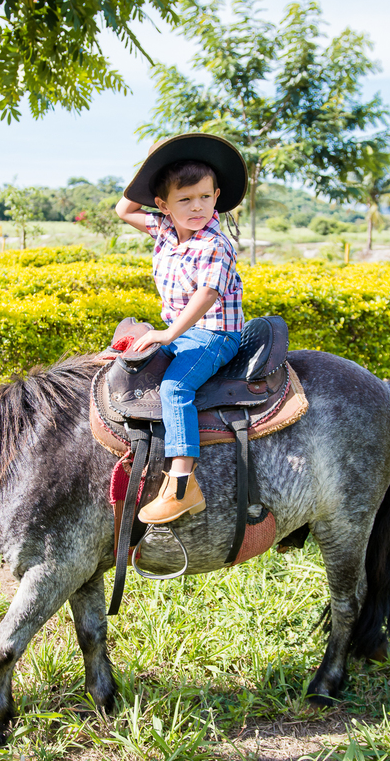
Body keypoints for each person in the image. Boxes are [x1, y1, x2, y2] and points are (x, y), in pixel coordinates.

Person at [114, 132, 248, 524]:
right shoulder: (164, 230)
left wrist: (169, 335)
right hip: (181, 331)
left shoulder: (215, 244)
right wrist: (152, 164)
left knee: (175, 388)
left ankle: (183, 483)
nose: (197, 207)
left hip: (212, 335)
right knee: (125, 363)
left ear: (217, 196)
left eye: (206, 197)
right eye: (185, 200)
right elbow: (123, 209)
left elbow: (206, 296)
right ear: (162, 205)